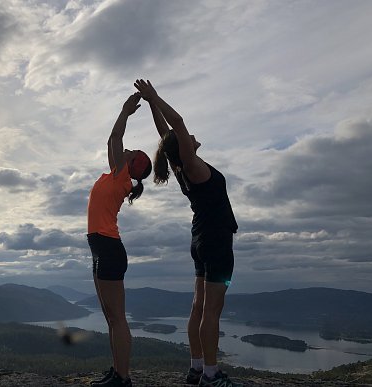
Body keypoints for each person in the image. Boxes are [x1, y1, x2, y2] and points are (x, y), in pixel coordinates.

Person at [134, 79, 238, 387]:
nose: (191, 135)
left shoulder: (181, 166)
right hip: (217, 242)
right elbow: (176, 124)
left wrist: (152, 104)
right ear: (183, 147)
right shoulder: (191, 165)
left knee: (197, 307)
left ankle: (195, 369)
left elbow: (165, 134)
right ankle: (210, 374)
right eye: (186, 137)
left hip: (200, 241)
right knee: (212, 311)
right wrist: (154, 96)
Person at [87, 93, 152, 387]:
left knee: (118, 318)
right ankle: (117, 372)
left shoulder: (120, 176)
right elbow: (114, 142)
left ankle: (123, 378)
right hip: (101, 248)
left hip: (108, 249)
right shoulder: (118, 177)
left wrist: (125, 112)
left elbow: (114, 137)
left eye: (132, 150)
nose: (127, 149)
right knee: (111, 318)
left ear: (132, 164)